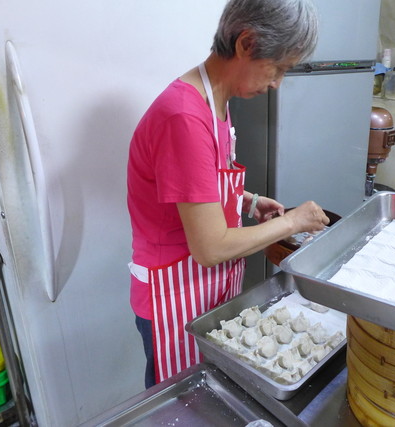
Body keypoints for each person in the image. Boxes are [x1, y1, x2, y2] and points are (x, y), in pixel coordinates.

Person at [127, 0, 328, 389]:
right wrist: (293, 221)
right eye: (278, 68)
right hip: (174, 298)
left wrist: (247, 201)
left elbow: (195, 184)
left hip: (205, 289)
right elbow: (210, 247)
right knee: (186, 404)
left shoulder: (215, 101)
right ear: (246, 43)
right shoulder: (184, 117)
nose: (277, 83)